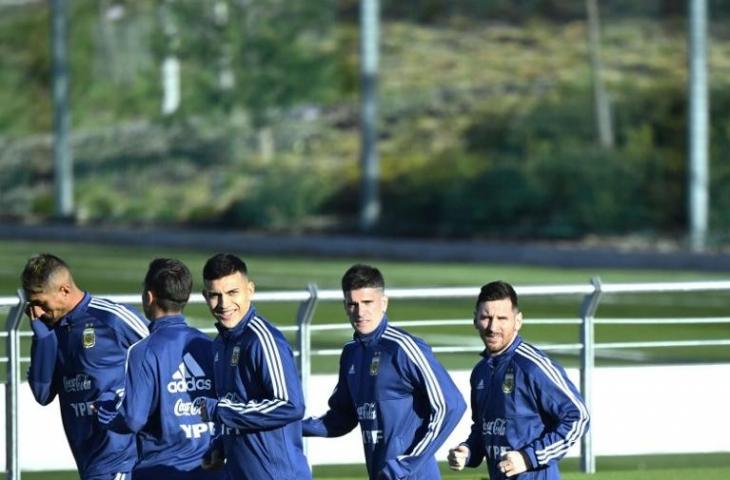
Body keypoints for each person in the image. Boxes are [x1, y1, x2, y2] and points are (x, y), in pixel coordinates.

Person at [302, 263, 466, 480]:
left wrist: (407, 464)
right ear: (345, 306)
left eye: (368, 302)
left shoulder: (404, 348)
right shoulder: (351, 354)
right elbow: (341, 418)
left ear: (384, 303)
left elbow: (451, 405)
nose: (360, 312)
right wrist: (289, 426)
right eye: (353, 304)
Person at [95, 258, 227, 480]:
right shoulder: (208, 345)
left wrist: (107, 415)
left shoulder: (143, 351)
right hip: (209, 469)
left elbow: (134, 419)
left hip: (160, 470)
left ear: (149, 297)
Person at [23, 253, 149, 480]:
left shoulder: (111, 319)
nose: (38, 312)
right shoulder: (51, 332)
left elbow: (163, 354)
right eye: (32, 305)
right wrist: (42, 340)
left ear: (64, 290)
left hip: (123, 458)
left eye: (41, 303)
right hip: (89, 461)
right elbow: (42, 395)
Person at [447, 280, 590, 479]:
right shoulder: (480, 372)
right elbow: (485, 428)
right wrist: (467, 451)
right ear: (475, 320)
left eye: (502, 318)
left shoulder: (533, 367)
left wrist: (528, 457)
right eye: (486, 317)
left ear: (518, 321)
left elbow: (579, 417)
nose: (492, 327)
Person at [193, 253, 311, 479]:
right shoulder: (220, 344)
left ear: (250, 290)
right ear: (205, 296)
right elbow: (238, 405)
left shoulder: (263, 340)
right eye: (215, 295)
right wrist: (220, 444)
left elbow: (290, 405)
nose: (224, 304)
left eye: (232, 293)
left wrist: (219, 411)